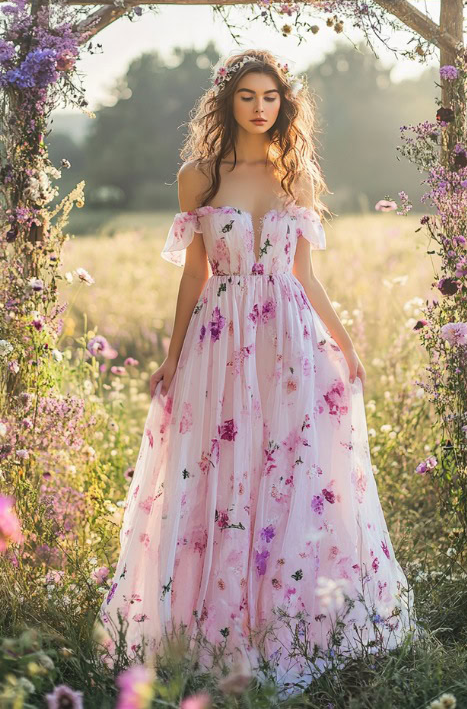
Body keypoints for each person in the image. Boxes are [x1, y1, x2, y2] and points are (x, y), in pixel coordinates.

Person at [98, 49, 417, 696]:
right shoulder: (199, 177)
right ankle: (217, 625)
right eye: (248, 95)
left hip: (289, 339)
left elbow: (305, 275)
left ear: (283, 103)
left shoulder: (295, 174)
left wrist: (346, 346)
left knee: (290, 468)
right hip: (221, 342)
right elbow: (194, 273)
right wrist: (170, 353)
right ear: (228, 101)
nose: (260, 106)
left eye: (269, 96)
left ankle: (292, 617)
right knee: (224, 469)